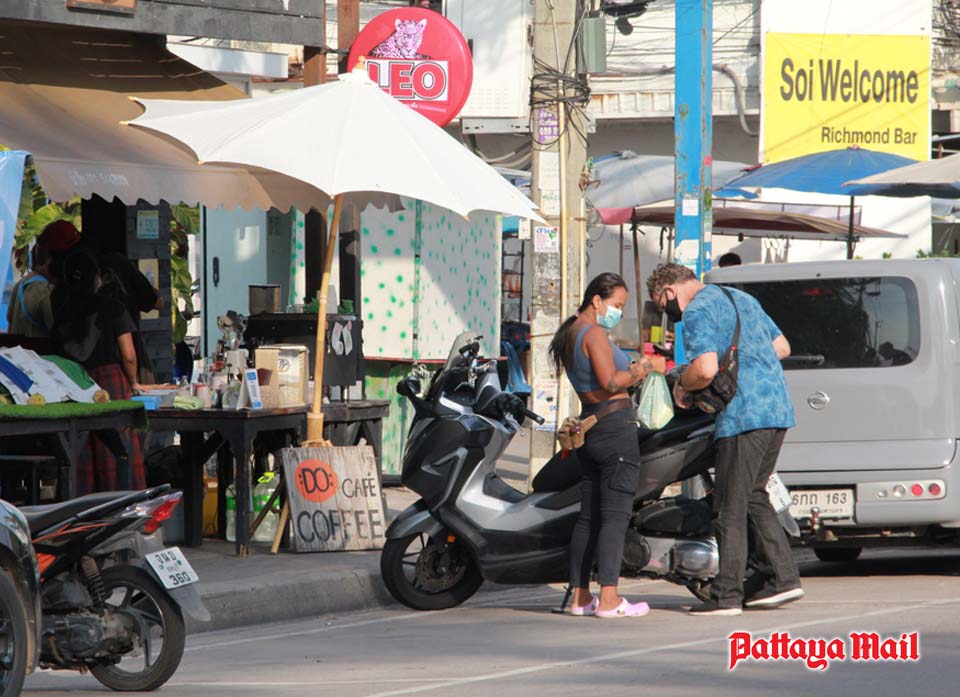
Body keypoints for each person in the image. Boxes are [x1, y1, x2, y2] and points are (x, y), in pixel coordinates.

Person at [647, 263, 801, 616]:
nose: (668, 314)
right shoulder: (740, 298)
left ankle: (726, 595)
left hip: (742, 415)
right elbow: (781, 347)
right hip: (777, 408)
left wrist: (682, 386)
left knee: (728, 506)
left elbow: (704, 369)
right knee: (753, 495)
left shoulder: (697, 310)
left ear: (669, 291)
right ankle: (782, 580)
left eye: (662, 305)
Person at [549, 272, 667, 618]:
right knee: (615, 516)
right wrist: (645, 367)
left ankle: (580, 597)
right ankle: (610, 599)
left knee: (589, 517)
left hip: (591, 428)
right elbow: (612, 381)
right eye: (616, 305)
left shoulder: (571, 333)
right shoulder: (593, 333)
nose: (618, 311)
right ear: (596, 300)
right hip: (615, 430)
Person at [51, 250, 145, 495]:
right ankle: (122, 505)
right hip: (111, 384)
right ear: (96, 278)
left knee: (80, 454)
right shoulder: (113, 307)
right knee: (117, 450)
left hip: (74, 385)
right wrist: (134, 382)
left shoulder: (62, 313)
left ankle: (81, 509)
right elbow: (129, 354)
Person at [6, 238, 53, 337]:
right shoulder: (44, 290)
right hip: (37, 346)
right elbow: (53, 328)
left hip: (17, 345)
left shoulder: (18, 285)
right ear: (48, 263)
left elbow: (9, 322)